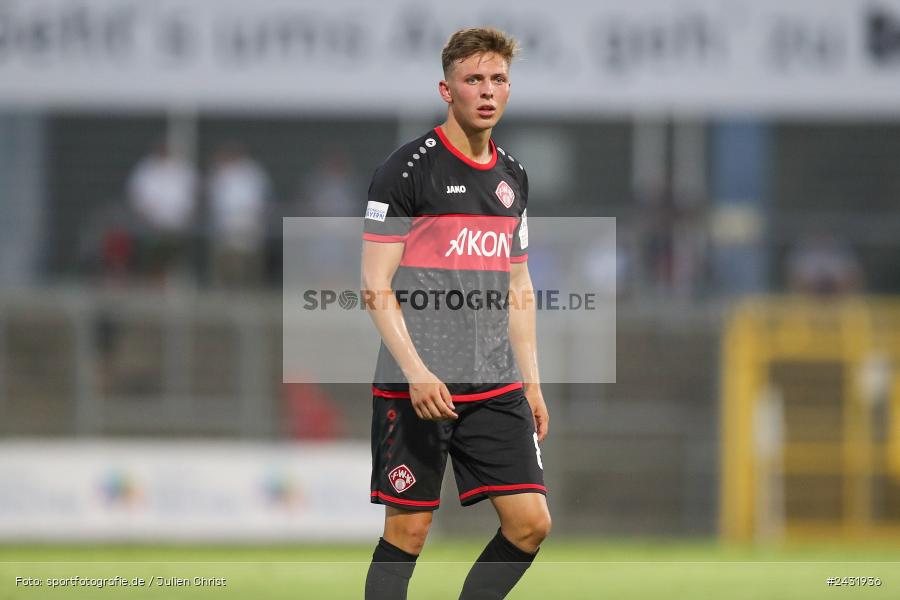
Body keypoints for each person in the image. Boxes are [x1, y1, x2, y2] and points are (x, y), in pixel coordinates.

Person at [361, 28, 550, 600]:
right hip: (418, 382)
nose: (487, 91)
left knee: (531, 523)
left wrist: (534, 384)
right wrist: (416, 371)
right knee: (410, 529)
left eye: (498, 80)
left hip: (495, 381)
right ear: (447, 89)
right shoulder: (406, 172)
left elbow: (519, 283)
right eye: (474, 80)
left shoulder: (512, 177)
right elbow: (374, 284)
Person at [206, 142, 271, 288]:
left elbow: (260, 198)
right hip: (224, 225)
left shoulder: (253, 171)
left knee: (248, 262)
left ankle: (249, 292)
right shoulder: (219, 171)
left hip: (248, 223)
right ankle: (224, 292)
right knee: (225, 262)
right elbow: (213, 197)